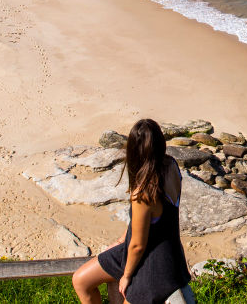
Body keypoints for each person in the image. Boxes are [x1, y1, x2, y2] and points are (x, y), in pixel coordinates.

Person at [72, 119, 195, 304]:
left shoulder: (144, 192)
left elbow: (138, 245)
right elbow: (143, 225)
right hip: (158, 254)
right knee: (81, 280)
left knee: (90, 283)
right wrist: (122, 239)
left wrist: (127, 275)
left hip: (152, 267)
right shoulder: (171, 166)